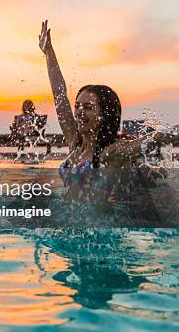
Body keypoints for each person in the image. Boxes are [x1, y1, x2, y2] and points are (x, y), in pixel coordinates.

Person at [39, 20, 173, 217]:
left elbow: (154, 140)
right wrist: (49, 53)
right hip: (67, 225)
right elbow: (59, 95)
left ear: (104, 115)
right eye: (78, 106)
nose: (79, 112)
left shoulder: (111, 153)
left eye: (88, 107)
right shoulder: (74, 142)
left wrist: (165, 134)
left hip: (96, 234)